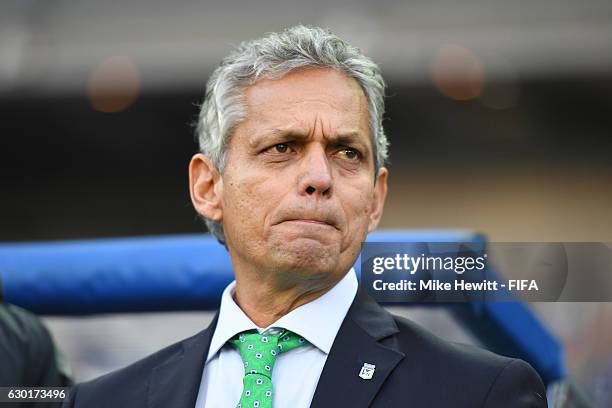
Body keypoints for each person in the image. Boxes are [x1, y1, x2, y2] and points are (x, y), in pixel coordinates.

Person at [63, 25, 547, 407]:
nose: (319, 176)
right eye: (282, 147)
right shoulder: (102, 400)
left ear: (375, 199)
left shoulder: (480, 393)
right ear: (208, 187)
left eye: (347, 153)